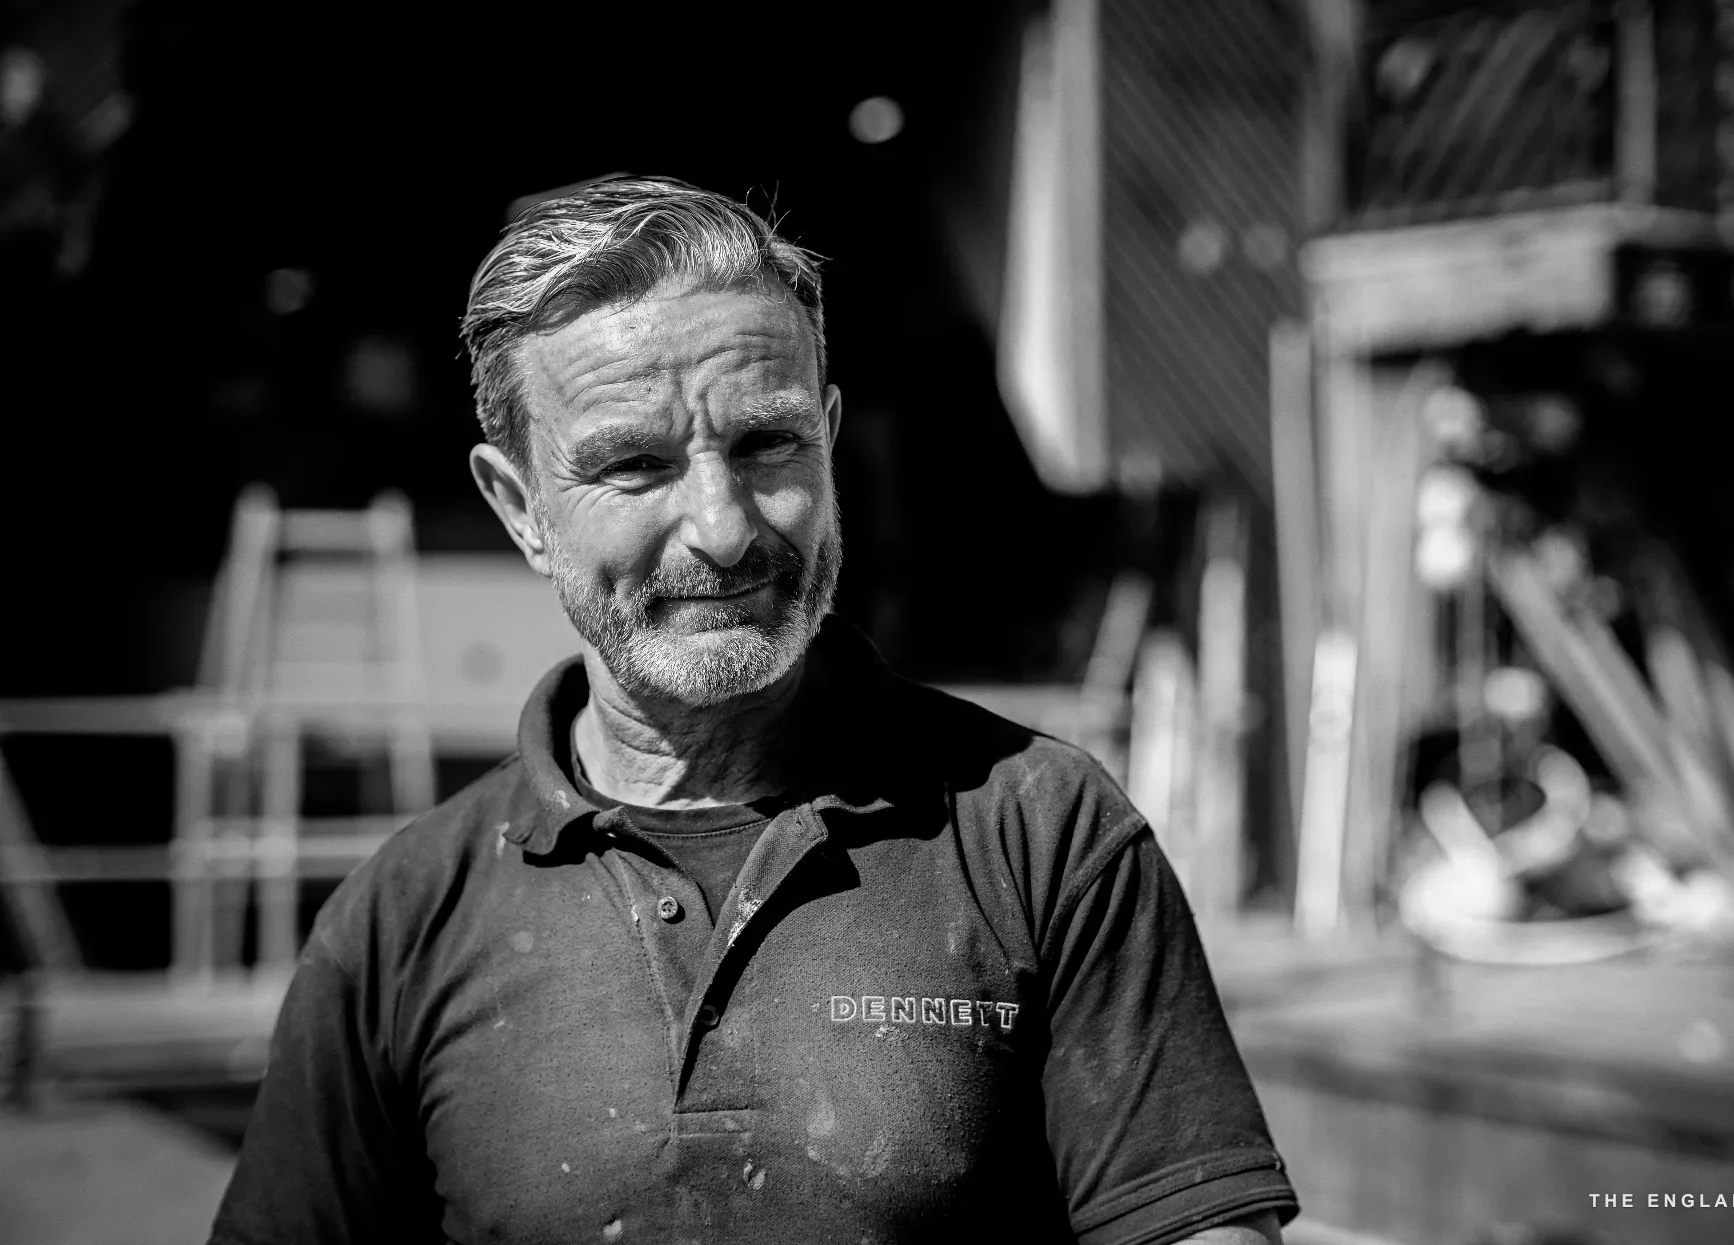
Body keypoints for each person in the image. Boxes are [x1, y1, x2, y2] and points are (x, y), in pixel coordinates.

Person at [208, 176, 1298, 1244]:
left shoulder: (1044, 833)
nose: (723, 529)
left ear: (826, 436)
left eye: (766, 444)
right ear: (521, 507)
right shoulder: (400, 920)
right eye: (635, 465)